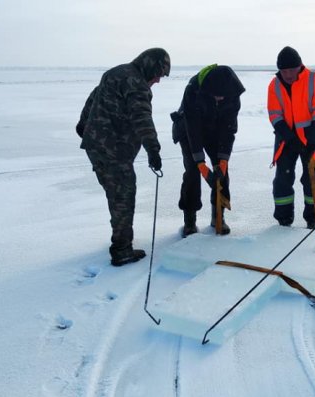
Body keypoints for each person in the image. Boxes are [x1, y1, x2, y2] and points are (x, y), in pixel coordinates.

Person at [76, 48, 170, 266]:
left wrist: (85, 128)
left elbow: (93, 98)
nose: (157, 81)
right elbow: (142, 118)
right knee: (123, 198)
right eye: (158, 75)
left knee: (116, 194)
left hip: (96, 146)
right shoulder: (136, 83)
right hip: (114, 151)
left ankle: (120, 235)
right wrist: (153, 150)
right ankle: (121, 250)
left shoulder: (115, 73)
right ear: (150, 67)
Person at [171, 65, 245, 237]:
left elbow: (229, 130)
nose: (220, 99)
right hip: (189, 131)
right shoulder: (193, 90)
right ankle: (189, 220)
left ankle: (218, 216)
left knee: (222, 173)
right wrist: (201, 165)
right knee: (192, 173)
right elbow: (192, 131)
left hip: (216, 132)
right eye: (216, 95)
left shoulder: (233, 95)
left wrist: (223, 160)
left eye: (222, 96)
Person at [267, 46, 315, 228]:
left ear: (299, 66)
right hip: (286, 139)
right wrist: (289, 138)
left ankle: (313, 218)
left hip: (312, 136)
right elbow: (275, 115)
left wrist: (313, 141)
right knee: (282, 179)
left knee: (313, 178)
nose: (287, 74)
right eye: (283, 71)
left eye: (290, 70)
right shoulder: (274, 85)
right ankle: (284, 220)